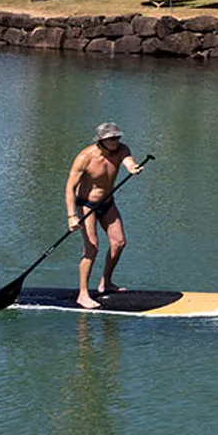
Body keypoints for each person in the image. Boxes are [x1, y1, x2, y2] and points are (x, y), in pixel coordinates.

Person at [67, 122, 145, 308]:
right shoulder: (85, 157)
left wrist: (133, 168)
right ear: (101, 140)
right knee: (92, 249)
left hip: (108, 203)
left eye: (118, 137)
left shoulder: (121, 150)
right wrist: (71, 216)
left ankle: (106, 283)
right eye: (112, 139)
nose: (116, 141)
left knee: (119, 243)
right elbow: (70, 188)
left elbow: (128, 161)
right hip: (87, 205)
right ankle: (83, 294)